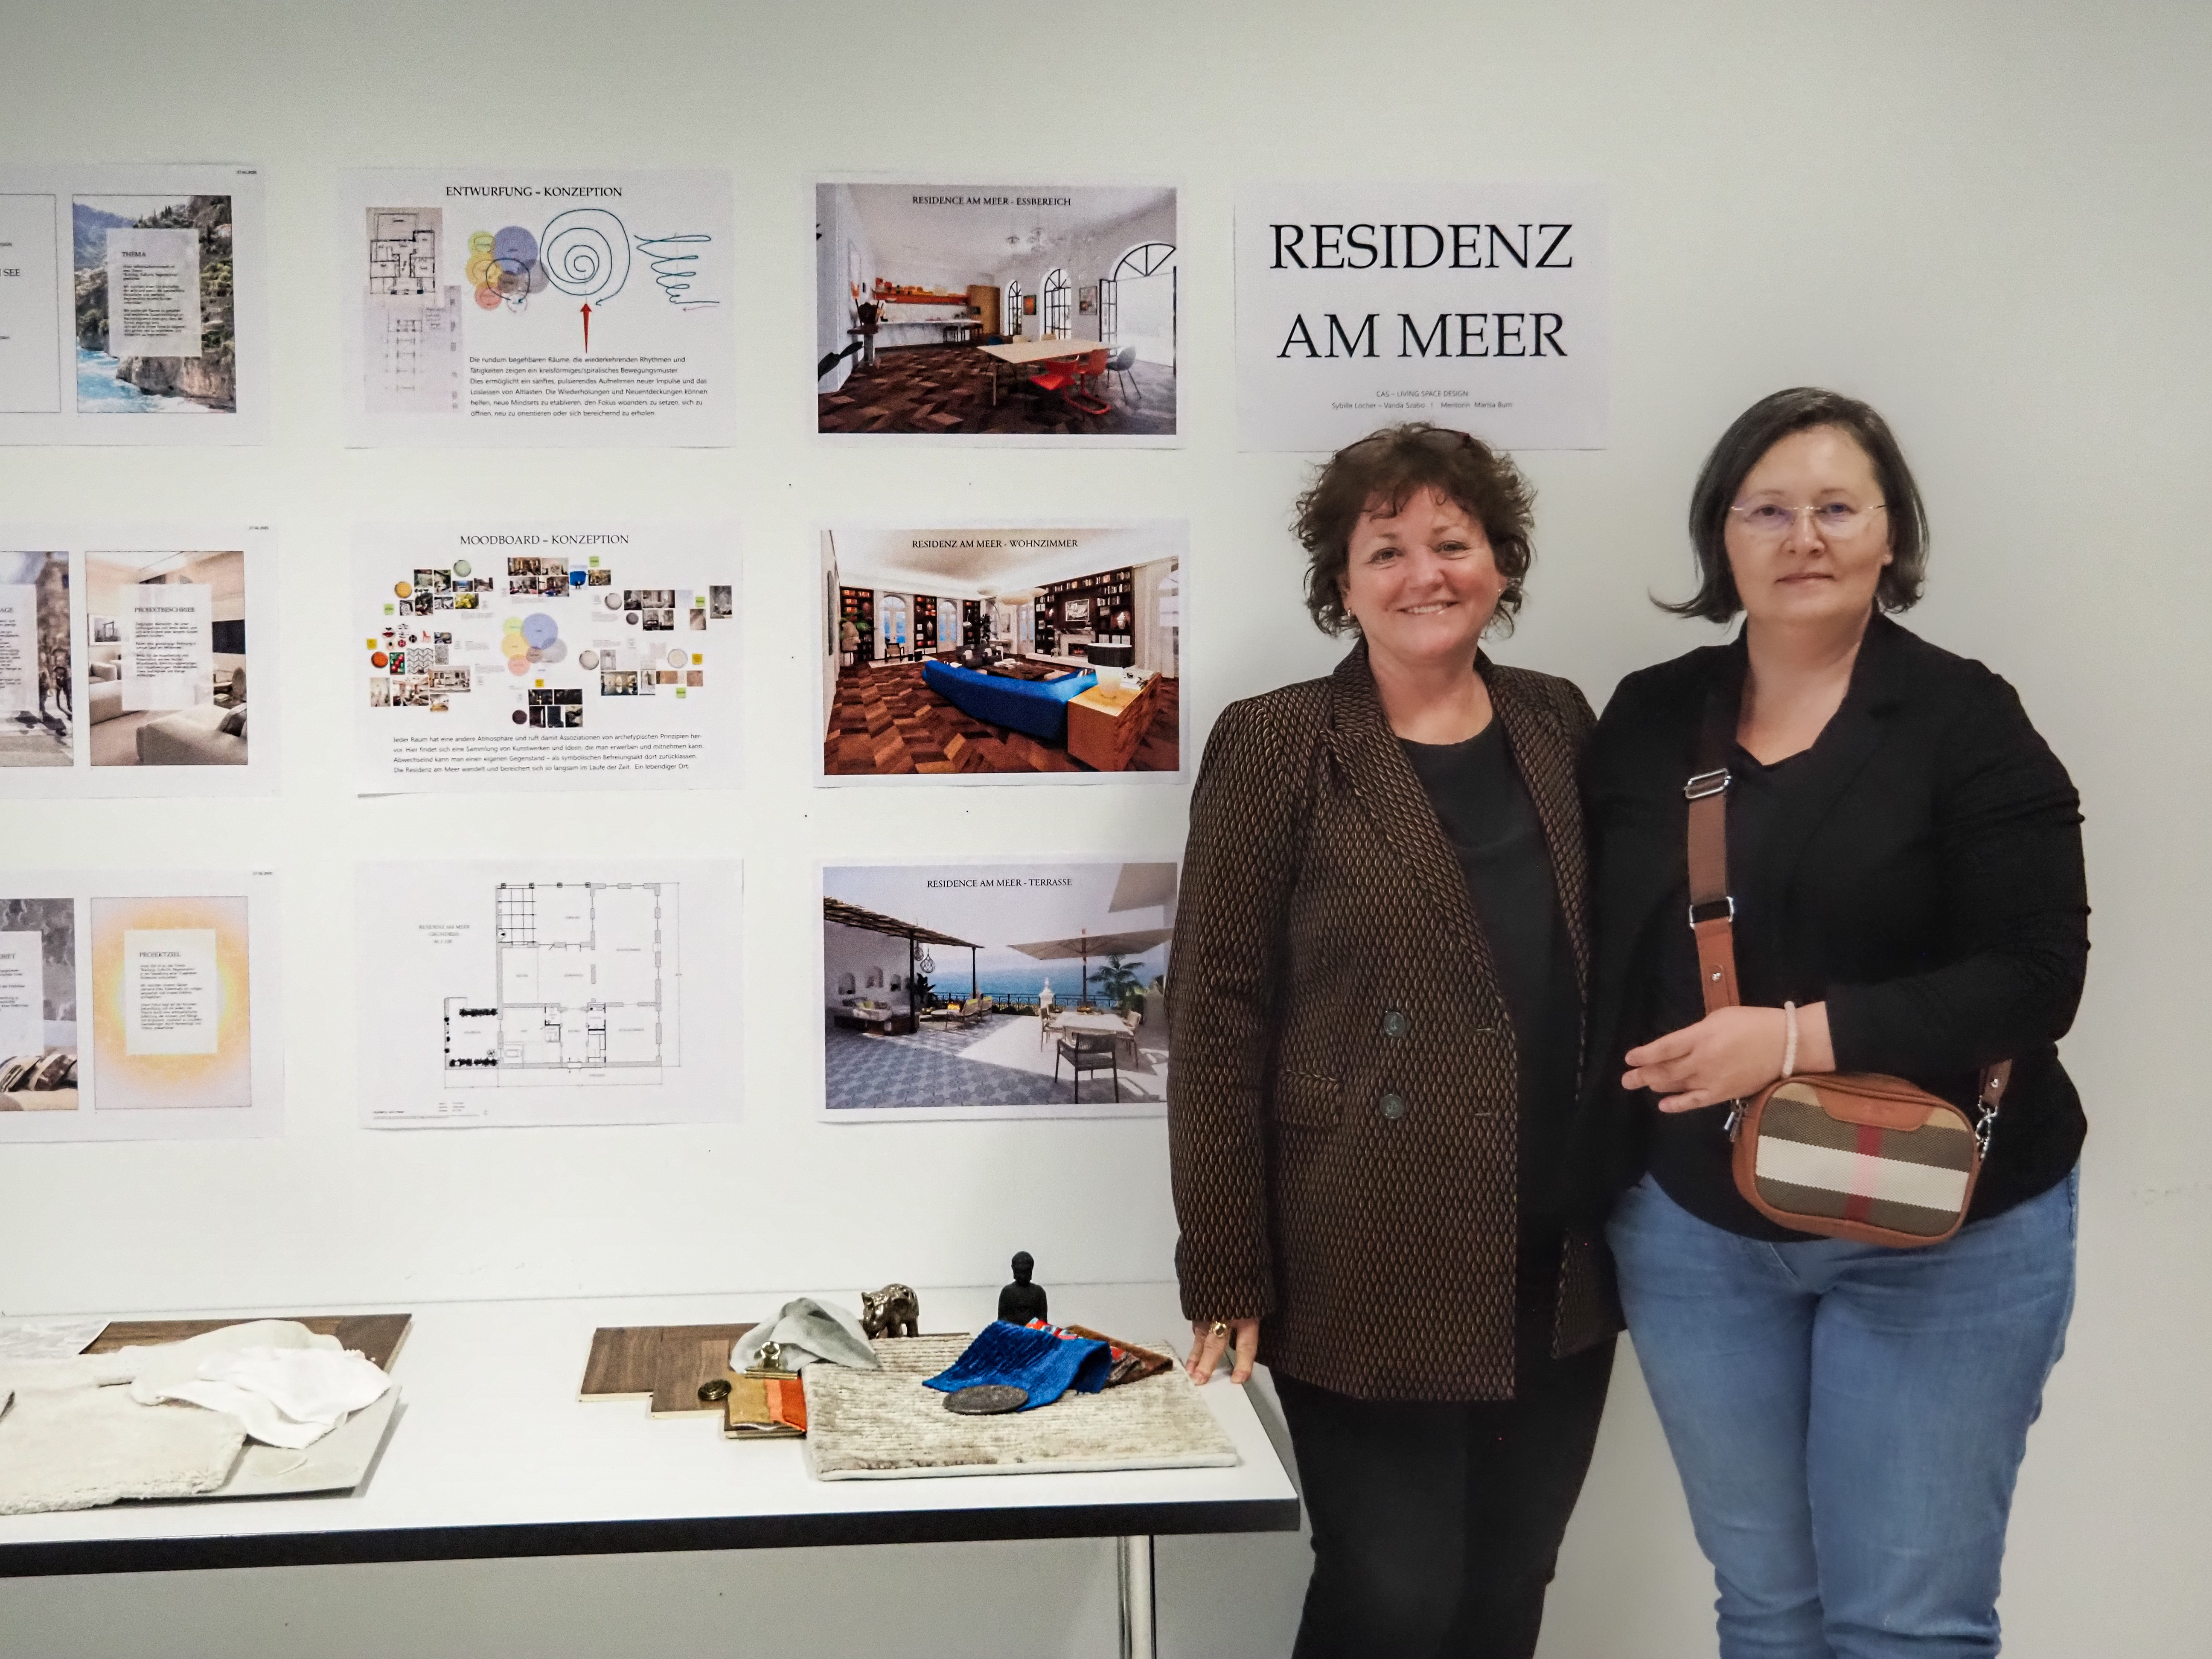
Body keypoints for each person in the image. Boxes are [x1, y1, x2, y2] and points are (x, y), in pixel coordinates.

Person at [1574, 387, 2088, 1658]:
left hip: (1944, 1227)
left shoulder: (1968, 720)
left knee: (1907, 1627)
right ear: (1722, 537)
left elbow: (2037, 979)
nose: (1803, 536)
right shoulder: (1649, 716)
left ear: (1890, 534)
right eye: (1768, 511)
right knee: (1767, 1612)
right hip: (1700, 1233)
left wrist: (1795, 1039)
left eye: (1837, 508)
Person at [1170, 423, 1620, 1659]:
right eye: (1387, 550)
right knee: (1393, 1594)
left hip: (1558, 1252)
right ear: (1344, 582)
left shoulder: (1560, 721)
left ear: (1500, 563)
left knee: (1509, 1586)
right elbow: (1215, 1014)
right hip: (1362, 1243)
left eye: (1452, 542)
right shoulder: (1276, 743)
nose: (1426, 573)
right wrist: (1226, 1267)